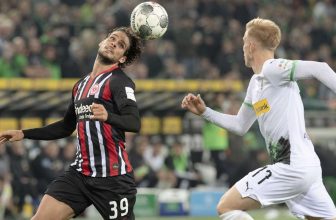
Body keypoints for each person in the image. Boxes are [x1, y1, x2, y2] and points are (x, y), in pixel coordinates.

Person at [181, 18, 336, 220]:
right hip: (305, 168)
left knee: (226, 206)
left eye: (244, 41)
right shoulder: (256, 83)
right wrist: (206, 112)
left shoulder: (272, 68)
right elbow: (240, 125)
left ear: (251, 45)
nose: (243, 47)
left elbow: (320, 68)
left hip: (292, 166)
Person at [0, 26, 143, 220]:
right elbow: (66, 127)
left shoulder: (120, 82)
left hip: (113, 178)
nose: (113, 44)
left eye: (120, 45)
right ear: (102, 41)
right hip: (79, 174)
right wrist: (23, 133)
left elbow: (134, 122)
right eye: (112, 38)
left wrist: (108, 116)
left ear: (122, 58)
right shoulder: (80, 85)